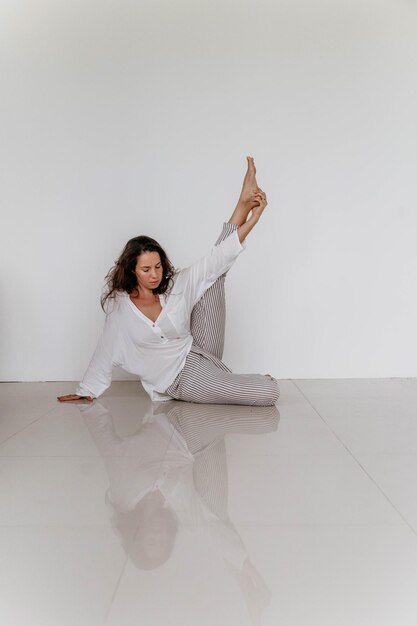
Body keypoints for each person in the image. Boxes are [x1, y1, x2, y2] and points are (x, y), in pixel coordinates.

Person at [57, 157, 279, 406]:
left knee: (213, 272)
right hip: (181, 378)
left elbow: (216, 260)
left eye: (158, 266)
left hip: (199, 349)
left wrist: (253, 218)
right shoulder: (120, 308)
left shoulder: (174, 286)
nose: (155, 275)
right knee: (269, 393)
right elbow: (104, 350)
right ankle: (245, 382)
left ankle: (242, 203)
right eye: (146, 269)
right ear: (132, 271)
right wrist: (87, 389)